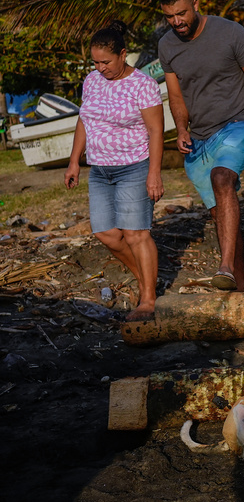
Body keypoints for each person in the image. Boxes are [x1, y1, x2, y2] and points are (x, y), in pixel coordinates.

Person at [157, 0, 244, 291]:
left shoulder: (230, 32)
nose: (177, 22)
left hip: (237, 124)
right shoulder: (167, 46)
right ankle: (240, 286)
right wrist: (182, 128)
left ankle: (224, 266)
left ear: (195, 4)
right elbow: (175, 96)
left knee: (222, 179)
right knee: (223, 216)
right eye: (170, 17)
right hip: (198, 139)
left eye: (182, 13)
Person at [65, 22, 164, 321]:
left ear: (123, 55)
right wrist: (74, 161)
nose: (100, 67)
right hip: (99, 169)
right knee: (106, 233)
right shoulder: (92, 81)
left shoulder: (143, 85)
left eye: (106, 62)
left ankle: (148, 300)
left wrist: (154, 173)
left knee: (136, 234)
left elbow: (156, 131)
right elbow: (85, 120)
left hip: (134, 166)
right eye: (95, 62)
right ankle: (147, 280)